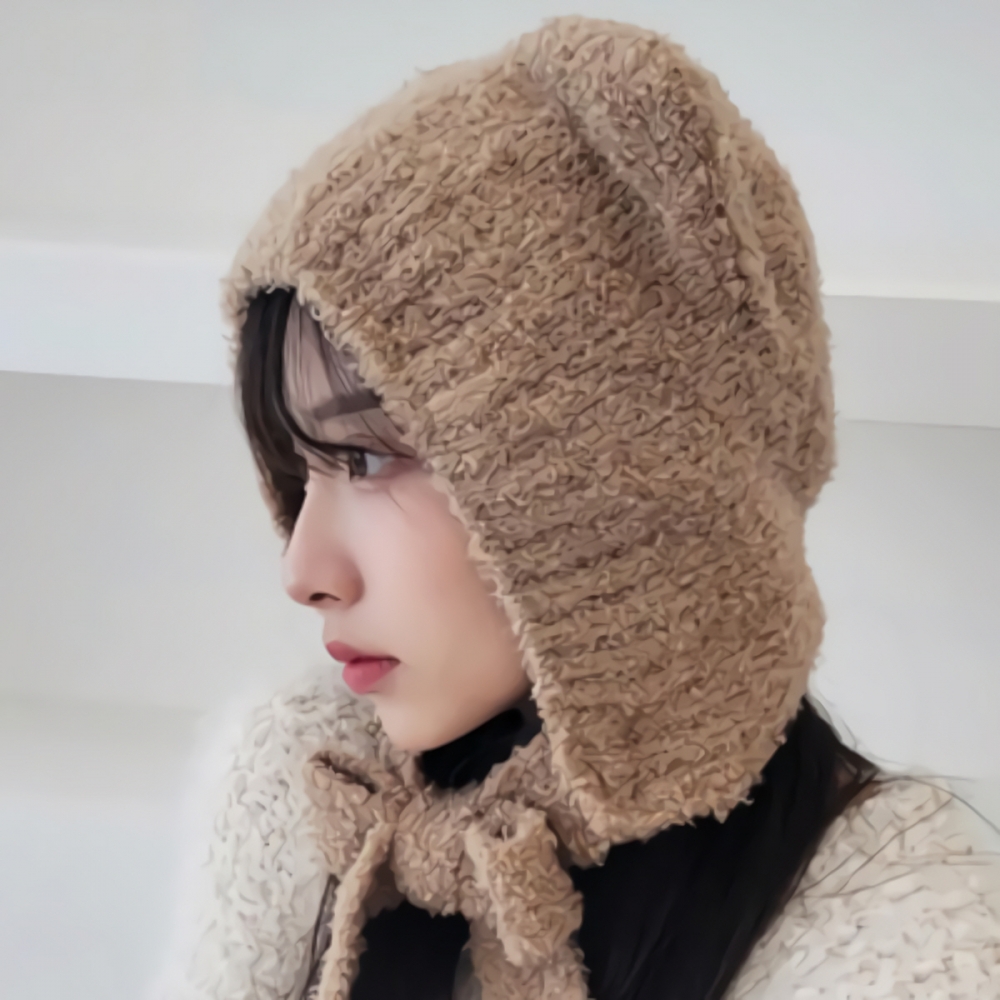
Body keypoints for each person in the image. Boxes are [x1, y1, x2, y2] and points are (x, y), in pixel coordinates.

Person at [154, 15, 1000, 1000]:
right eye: (301, 469)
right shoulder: (302, 780)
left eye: (367, 458)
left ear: (609, 479)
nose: (303, 571)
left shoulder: (898, 937)